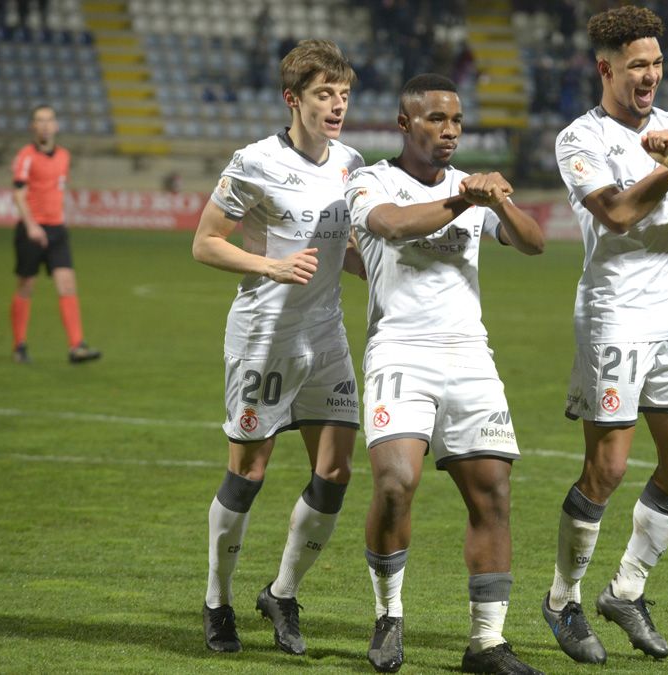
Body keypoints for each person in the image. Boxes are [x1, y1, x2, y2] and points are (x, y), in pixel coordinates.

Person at [542, 5, 668, 665]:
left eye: (655, 64)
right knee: (609, 467)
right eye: (636, 66)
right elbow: (618, 214)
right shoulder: (579, 140)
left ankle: (626, 589)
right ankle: (563, 599)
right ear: (605, 68)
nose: (649, 76)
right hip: (613, 312)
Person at [345, 73, 546, 675]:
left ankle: (487, 643)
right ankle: (389, 614)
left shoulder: (472, 188)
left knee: (493, 495)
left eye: (456, 121)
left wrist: (500, 200)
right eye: (436, 119)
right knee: (394, 483)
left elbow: (533, 243)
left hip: (470, 356)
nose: (450, 131)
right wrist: (466, 200)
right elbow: (392, 226)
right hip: (400, 350)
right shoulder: (370, 181)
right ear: (405, 124)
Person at [192, 39, 366, 656]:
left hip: (326, 336)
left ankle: (283, 592)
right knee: (249, 473)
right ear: (293, 99)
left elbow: (339, 252)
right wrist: (269, 265)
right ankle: (218, 601)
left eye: (344, 94)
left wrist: (383, 271)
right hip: (264, 336)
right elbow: (206, 242)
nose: (337, 105)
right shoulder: (254, 162)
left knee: (336, 471)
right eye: (325, 94)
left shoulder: (351, 162)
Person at [9, 104, 101, 365]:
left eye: (49, 120)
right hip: (31, 229)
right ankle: (19, 345)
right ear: (33, 126)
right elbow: (18, 193)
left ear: (56, 126)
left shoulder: (64, 156)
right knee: (26, 286)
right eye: (40, 120)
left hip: (57, 229)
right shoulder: (25, 156)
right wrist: (31, 225)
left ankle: (76, 346)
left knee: (67, 284)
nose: (46, 125)